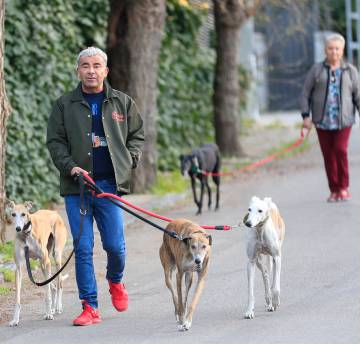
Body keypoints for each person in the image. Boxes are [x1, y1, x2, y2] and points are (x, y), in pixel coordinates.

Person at [47, 47, 144, 326]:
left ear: (105, 71)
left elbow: (138, 136)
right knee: (83, 246)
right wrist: (69, 166)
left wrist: (130, 160)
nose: (91, 70)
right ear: (78, 71)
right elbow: (55, 142)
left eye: (96, 65)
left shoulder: (122, 103)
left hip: (109, 186)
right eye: (86, 66)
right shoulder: (64, 105)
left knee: (115, 246)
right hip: (77, 189)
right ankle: (90, 306)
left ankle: (115, 280)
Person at [300, 33, 360, 203]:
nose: (334, 52)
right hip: (322, 121)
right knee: (328, 155)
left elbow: (358, 95)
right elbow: (305, 94)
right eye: (330, 49)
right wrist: (306, 116)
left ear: (342, 50)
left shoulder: (350, 70)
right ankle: (334, 189)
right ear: (325, 50)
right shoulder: (316, 70)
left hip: (344, 120)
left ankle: (343, 187)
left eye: (337, 49)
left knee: (340, 150)